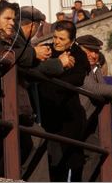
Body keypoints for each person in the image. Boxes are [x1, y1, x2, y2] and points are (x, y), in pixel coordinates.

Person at [74, 35, 112, 182]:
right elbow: (92, 88)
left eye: (96, 52)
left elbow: (102, 90)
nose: (94, 55)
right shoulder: (77, 65)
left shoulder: (94, 70)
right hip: (77, 120)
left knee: (96, 154)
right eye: (89, 50)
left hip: (89, 124)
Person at [36, 20, 89, 181]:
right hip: (47, 112)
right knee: (52, 159)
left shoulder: (79, 55)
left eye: (62, 39)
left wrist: (53, 74)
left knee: (69, 158)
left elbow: (78, 78)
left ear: (71, 41)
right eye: (55, 37)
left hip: (68, 115)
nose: (57, 42)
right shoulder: (47, 49)